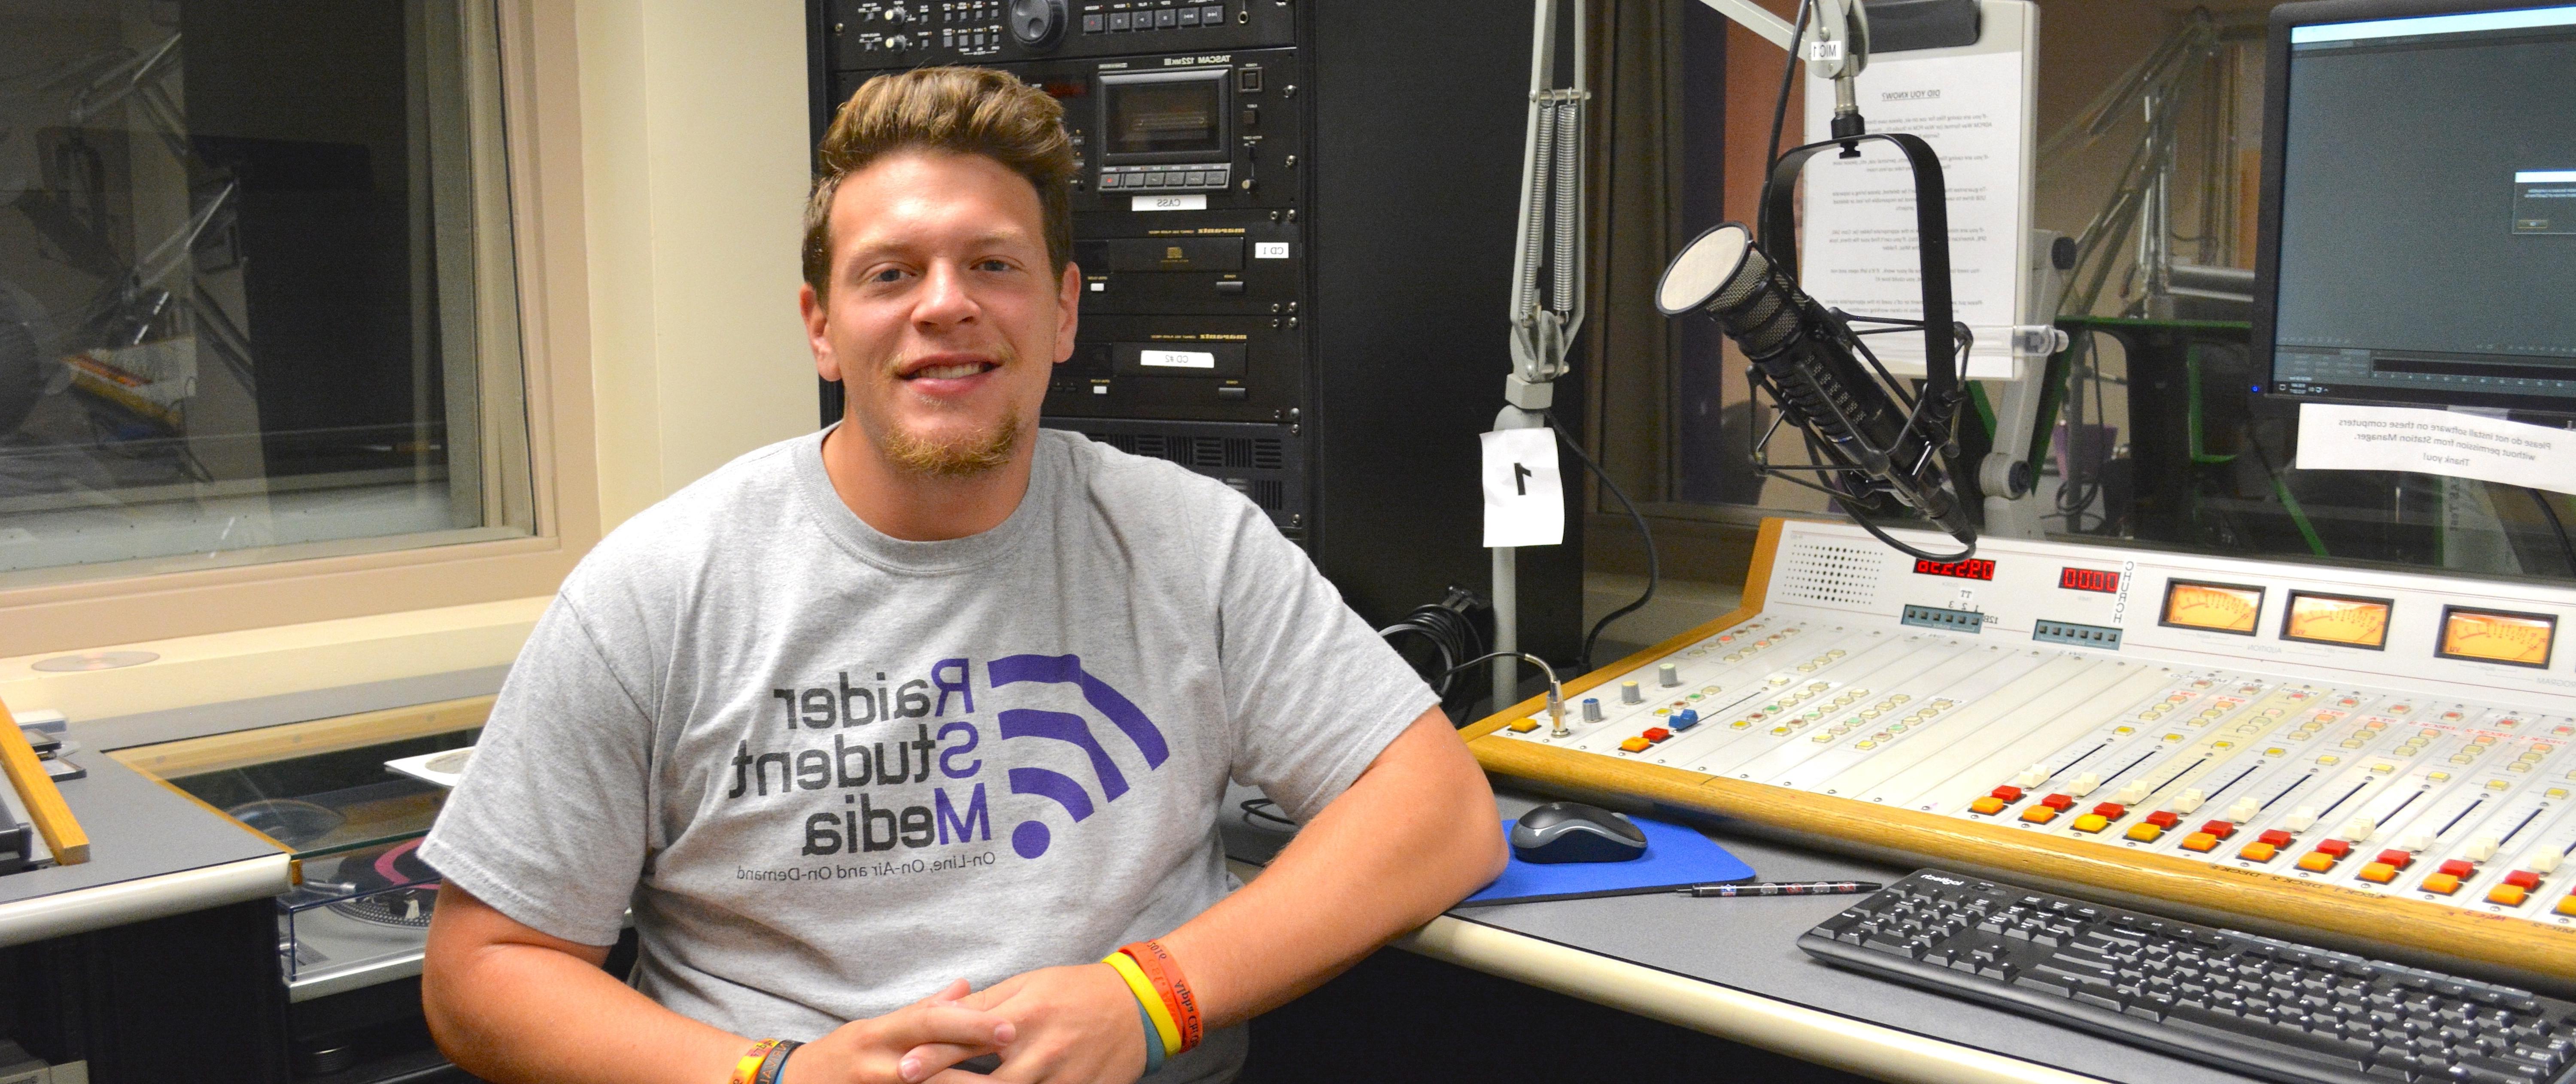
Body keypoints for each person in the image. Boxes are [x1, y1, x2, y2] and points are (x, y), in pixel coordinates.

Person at [418, 66, 1506, 1084]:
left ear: (1065, 311)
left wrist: (1148, 998)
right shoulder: (659, 591)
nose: (946, 305)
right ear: (822, 329)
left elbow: (1436, 811)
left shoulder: (1191, 543)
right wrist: (776, 1076)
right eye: (891, 274)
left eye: (993, 265)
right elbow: (482, 971)